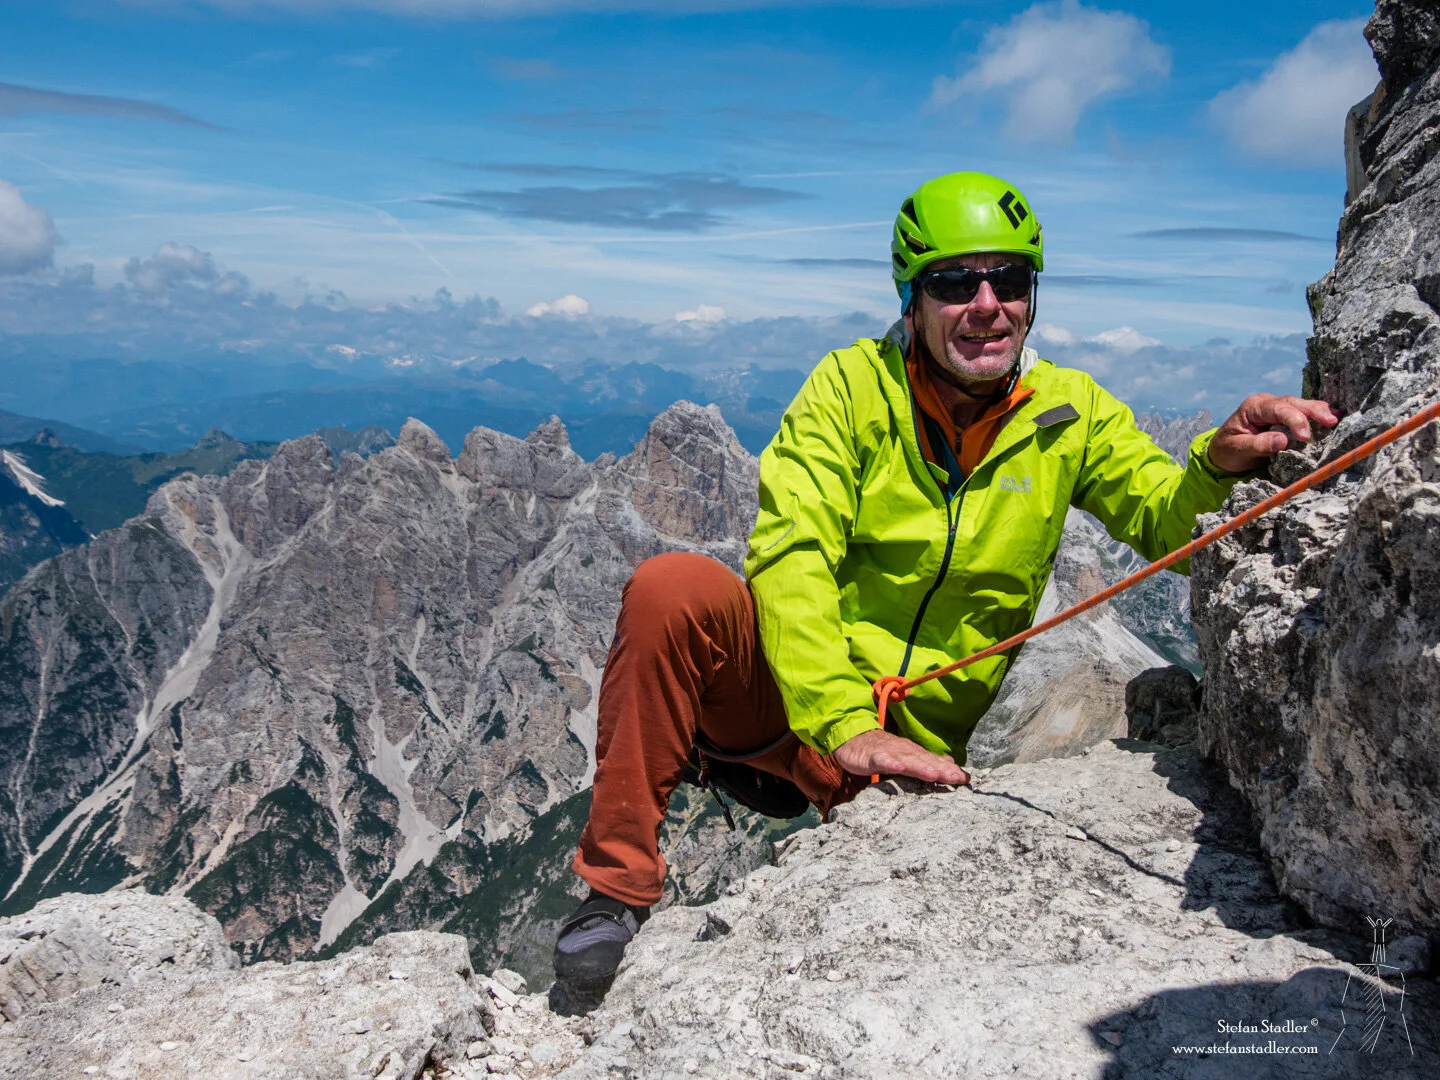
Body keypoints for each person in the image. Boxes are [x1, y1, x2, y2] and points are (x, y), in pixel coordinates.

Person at [552, 171, 1339, 997]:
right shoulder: (851, 391)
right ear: (912, 301)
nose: (987, 303)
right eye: (955, 282)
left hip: (914, 750)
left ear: (1033, 296)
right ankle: (616, 893)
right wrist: (843, 719)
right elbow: (791, 554)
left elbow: (1168, 522)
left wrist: (1216, 464)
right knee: (669, 588)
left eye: (1011, 279)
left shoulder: (1068, 414)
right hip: (785, 702)